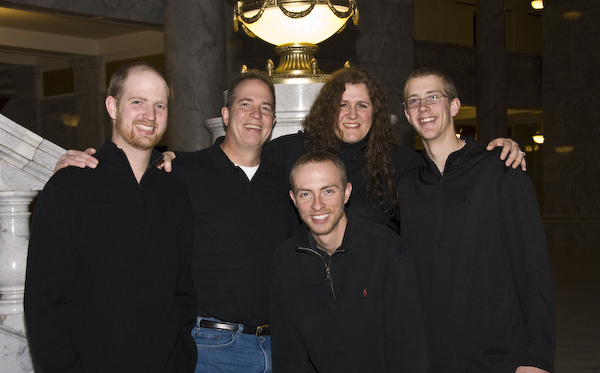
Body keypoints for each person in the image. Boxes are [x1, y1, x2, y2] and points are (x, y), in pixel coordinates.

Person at [56, 66, 526, 234]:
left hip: (379, 312)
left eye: (363, 105)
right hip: (309, 310)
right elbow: (232, 158)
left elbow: (450, 168)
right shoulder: (289, 152)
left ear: (379, 112)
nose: (352, 114)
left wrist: (497, 147)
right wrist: (163, 157)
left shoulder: (404, 163)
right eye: (342, 104)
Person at [24, 62, 197, 373]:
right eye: (138, 102)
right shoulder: (69, 187)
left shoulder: (174, 193)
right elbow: (43, 302)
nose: (150, 115)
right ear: (112, 106)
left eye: (160, 105)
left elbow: (183, 290)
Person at [398, 66, 555, 373]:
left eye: (433, 97)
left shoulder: (500, 168)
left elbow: (534, 268)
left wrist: (539, 357)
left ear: (454, 105)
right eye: (414, 101)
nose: (423, 108)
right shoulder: (406, 186)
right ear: (407, 115)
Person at [170, 70, 298, 373]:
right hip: (213, 354)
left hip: (279, 353)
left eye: (265, 108)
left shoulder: (284, 184)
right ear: (226, 115)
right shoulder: (184, 173)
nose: (256, 115)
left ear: (273, 121)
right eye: (246, 104)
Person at [270, 150, 431, 373]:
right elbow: (287, 359)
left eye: (328, 191)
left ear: (346, 192)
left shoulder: (387, 251)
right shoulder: (286, 259)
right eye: (306, 194)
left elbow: (408, 356)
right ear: (293, 199)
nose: (317, 205)